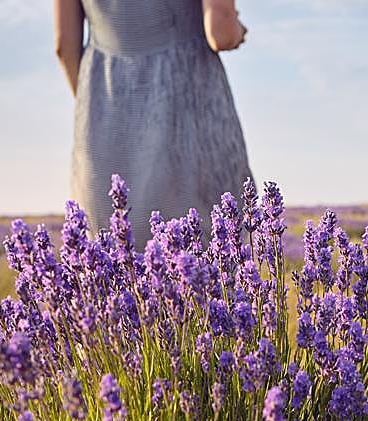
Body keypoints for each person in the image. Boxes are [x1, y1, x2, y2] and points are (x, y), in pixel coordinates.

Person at [53, 0, 253, 245]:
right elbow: (221, 32)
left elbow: (65, 47)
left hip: (107, 110)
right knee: (212, 254)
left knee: (111, 259)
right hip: (189, 104)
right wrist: (237, 30)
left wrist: (93, 109)